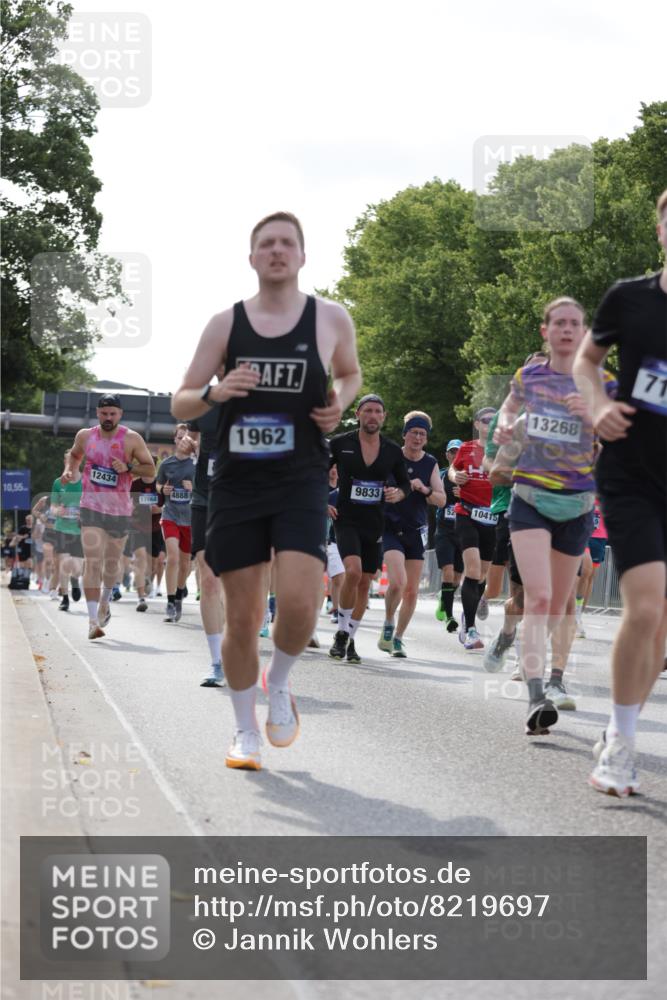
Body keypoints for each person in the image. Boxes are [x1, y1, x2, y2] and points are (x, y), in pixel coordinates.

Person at [172, 211, 361, 770]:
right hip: (238, 482)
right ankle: (243, 732)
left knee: (301, 603)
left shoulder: (330, 317)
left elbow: (349, 373)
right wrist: (216, 391)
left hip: (301, 476)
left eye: (287, 243)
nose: (277, 251)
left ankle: (277, 682)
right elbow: (181, 400)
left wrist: (341, 403)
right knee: (243, 616)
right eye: (267, 244)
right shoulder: (226, 324)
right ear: (252, 257)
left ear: (302, 256)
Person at [573, 188, 667, 796]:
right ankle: (622, 744)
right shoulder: (629, 298)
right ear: (660, 230)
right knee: (647, 607)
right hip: (631, 473)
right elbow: (587, 362)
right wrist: (599, 404)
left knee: (662, 630)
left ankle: (619, 727)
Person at [496, 297, 614, 735]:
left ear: (584, 333)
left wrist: (596, 417)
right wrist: (505, 424)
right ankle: (535, 697)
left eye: (574, 323)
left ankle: (555, 677)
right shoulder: (529, 376)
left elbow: (623, 437)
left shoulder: (602, 382)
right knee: (539, 599)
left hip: (577, 505)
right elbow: (509, 407)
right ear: (546, 332)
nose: (566, 329)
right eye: (558, 323)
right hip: (530, 498)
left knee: (562, 605)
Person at [60, 393, 155, 639]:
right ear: (97, 413)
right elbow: (75, 455)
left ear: (120, 414)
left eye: (113, 414)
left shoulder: (131, 439)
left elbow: (150, 470)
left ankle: (104, 601)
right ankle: (93, 621)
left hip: (119, 510)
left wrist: (129, 467)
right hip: (91, 506)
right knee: (92, 560)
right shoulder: (85, 435)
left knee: (112, 563)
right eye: (104, 413)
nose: (108, 418)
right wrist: (70, 470)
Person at [328, 394, 410, 663]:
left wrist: (399, 493)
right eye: (368, 411)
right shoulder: (341, 443)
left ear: (384, 417)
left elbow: (405, 484)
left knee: (365, 582)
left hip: (374, 523)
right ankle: (342, 632)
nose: (373, 416)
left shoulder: (392, 450)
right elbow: (316, 472)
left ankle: (350, 638)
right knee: (352, 571)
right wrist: (321, 500)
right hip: (346, 518)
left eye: (377, 411)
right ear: (358, 414)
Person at [378, 410, 445, 657]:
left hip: (416, 531)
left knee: (412, 590)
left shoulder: (430, 463)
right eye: (414, 433)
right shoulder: (391, 457)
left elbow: (441, 500)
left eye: (422, 434)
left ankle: (397, 639)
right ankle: (388, 621)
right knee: (398, 582)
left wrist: (424, 489)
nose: (418, 438)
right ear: (405, 435)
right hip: (390, 527)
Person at [449, 407, 497, 650]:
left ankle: (469, 609)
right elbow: (453, 469)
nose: (490, 423)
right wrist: (455, 476)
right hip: (467, 513)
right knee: (473, 569)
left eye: (495, 420)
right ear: (477, 424)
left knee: (483, 574)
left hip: (493, 517)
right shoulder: (467, 448)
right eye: (485, 420)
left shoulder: (505, 451)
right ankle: (469, 629)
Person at [187, 401, 228, 688]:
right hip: (203, 499)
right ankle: (216, 662)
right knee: (209, 580)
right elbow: (193, 440)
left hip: (239, 502)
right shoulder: (203, 405)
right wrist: (190, 445)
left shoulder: (257, 404)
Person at [157, 429, 196, 622]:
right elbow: (158, 484)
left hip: (189, 518)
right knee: (172, 557)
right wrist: (162, 489)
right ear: (174, 439)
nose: (182, 441)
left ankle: (179, 593)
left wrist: (193, 488)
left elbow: (208, 488)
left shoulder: (196, 465)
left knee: (185, 563)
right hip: (170, 514)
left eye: (186, 438)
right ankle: (171, 601)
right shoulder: (166, 463)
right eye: (180, 437)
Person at [129, 458, 164, 612]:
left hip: (155, 528)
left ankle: (147, 578)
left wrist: (158, 509)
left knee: (152, 565)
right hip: (136, 526)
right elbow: (126, 502)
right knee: (140, 559)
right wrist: (130, 508)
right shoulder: (134, 485)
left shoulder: (160, 485)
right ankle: (141, 598)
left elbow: (166, 506)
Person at [51, 450, 83, 611]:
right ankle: (64, 598)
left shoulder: (86, 482)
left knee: (78, 568)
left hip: (80, 530)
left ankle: (75, 580)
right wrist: (57, 511)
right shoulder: (58, 483)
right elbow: (53, 506)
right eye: (68, 461)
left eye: (74, 460)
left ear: (79, 462)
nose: (71, 463)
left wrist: (84, 513)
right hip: (62, 528)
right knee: (63, 563)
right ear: (65, 463)